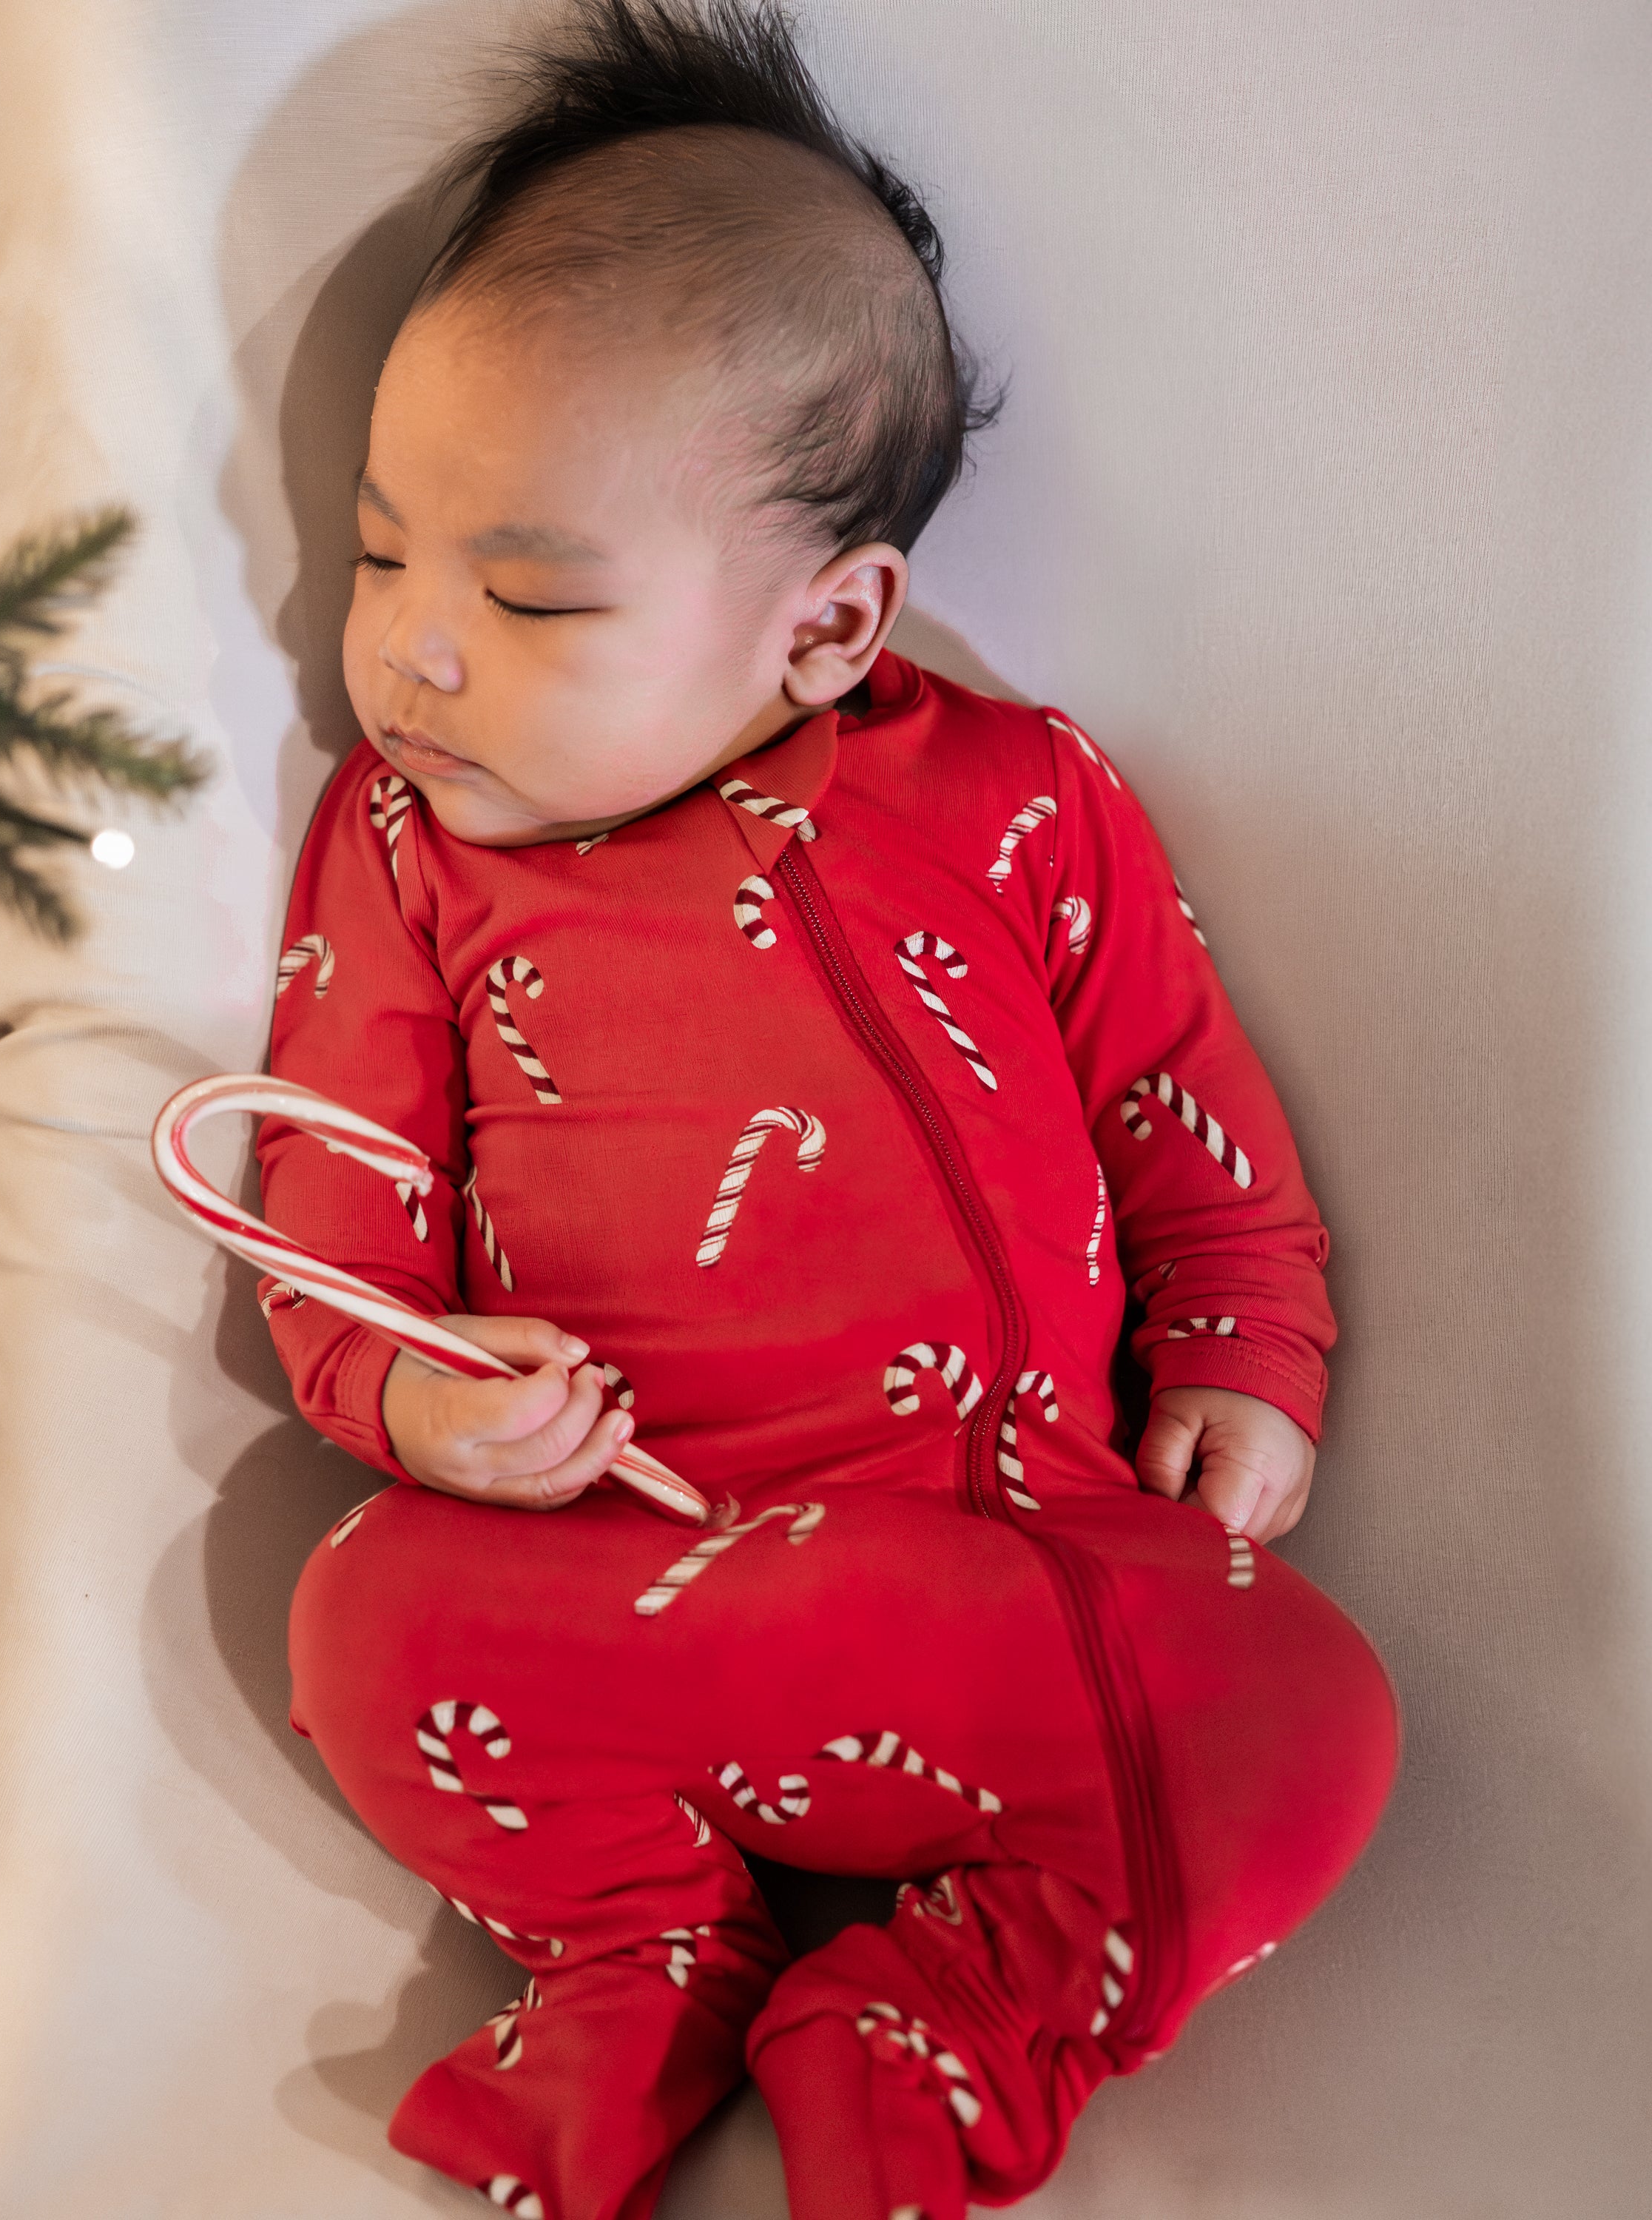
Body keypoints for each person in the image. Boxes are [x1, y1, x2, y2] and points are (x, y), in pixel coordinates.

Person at [257, 5, 1400, 2216]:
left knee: (1312, 1717)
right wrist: (418, 1403)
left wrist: (1251, 1347)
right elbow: (332, 1199)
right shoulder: (408, 852)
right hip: (630, 1564)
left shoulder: (1013, 797)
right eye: (385, 552)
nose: (411, 650)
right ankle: (641, 1952)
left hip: (1007, 1563)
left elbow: (1178, 1101)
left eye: (530, 593)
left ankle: (942, 2020)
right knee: (362, 1624)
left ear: (825, 624)